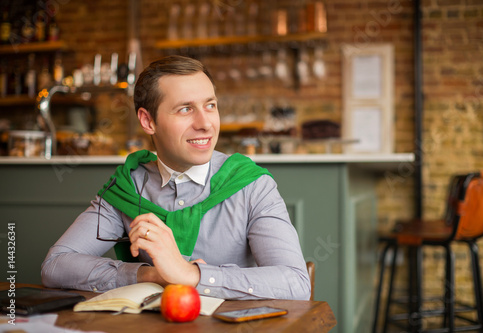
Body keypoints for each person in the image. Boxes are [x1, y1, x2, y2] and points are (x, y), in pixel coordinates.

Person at [41, 55, 310, 300]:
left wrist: (190, 275)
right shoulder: (128, 186)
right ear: (148, 121)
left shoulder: (252, 186)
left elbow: (296, 284)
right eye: (185, 109)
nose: (205, 123)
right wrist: (150, 274)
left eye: (210, 105)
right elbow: (56, 265)